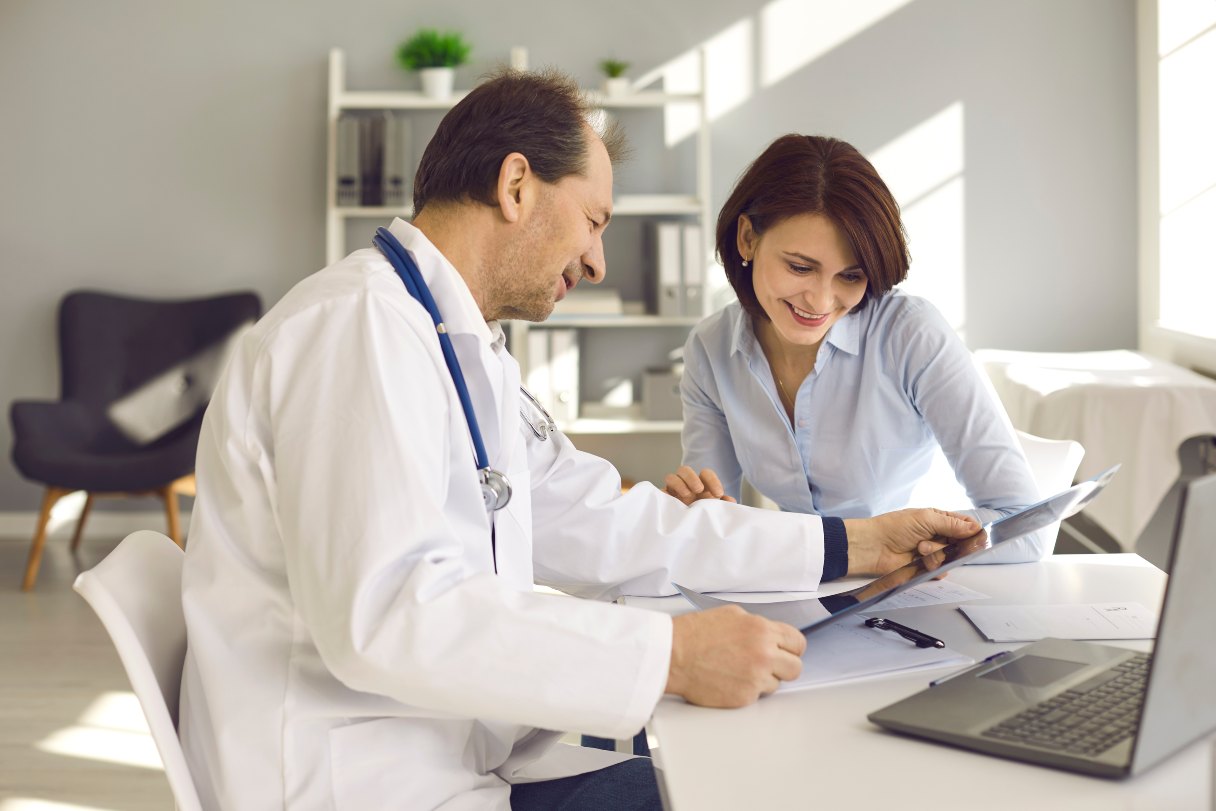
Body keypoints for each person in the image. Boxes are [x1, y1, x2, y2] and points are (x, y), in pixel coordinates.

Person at [177, 72, 981, 811]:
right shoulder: (355, 330)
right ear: (517, 185)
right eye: (594, 220)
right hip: (364, 787)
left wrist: (853, 544)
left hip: (452, 759)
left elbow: (610, 520)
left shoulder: (456, 346)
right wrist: (667, 654)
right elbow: (391, 616)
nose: (596, 260)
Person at [662, 134, 1048, 564]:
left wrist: (896, 547)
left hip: (916, 586)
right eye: (800, 267)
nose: (821, 302)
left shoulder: (911, 335)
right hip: (796, 581)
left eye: (850, 276)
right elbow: (710, 520)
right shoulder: (711, 349)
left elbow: (1025, 525)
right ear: (747, 238)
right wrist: (695, 513)